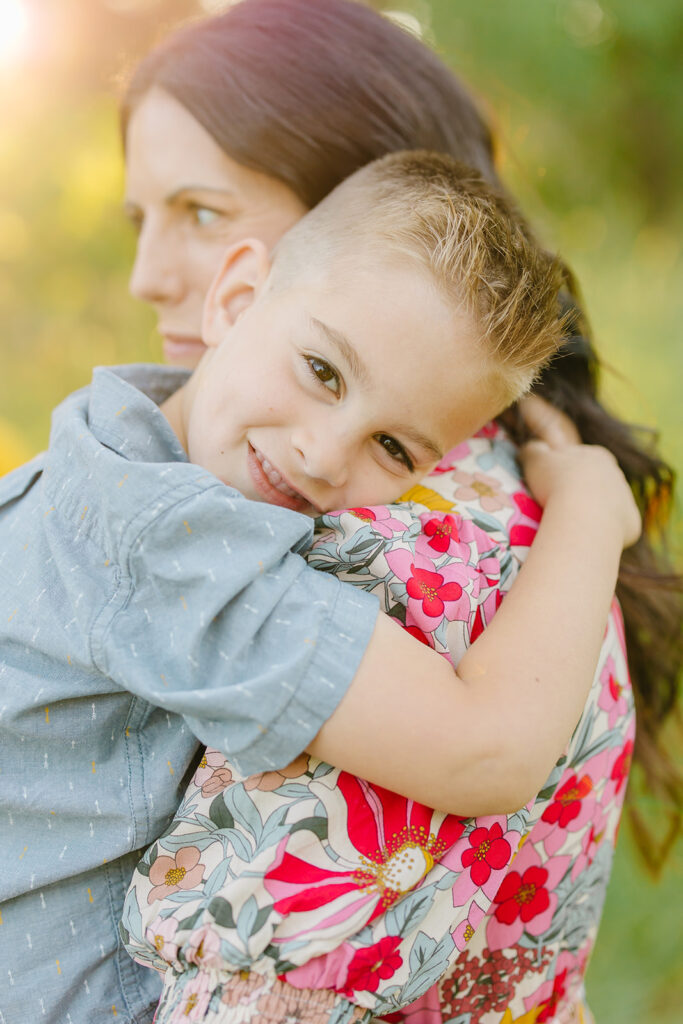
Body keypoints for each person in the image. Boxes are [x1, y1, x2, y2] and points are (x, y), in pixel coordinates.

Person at [115, 2, 681, 1022]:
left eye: (199, 210)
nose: (146, 275)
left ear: (365, 197)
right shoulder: (499, 464)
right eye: (139, 216)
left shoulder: (364, 540)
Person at [0, 151, 639, 1024]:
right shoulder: (170, 548)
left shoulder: (107, 442)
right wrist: (591, 511)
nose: (323, 455)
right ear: (233, 299)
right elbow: (486, 751)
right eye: (323, 372)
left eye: (394, 449)